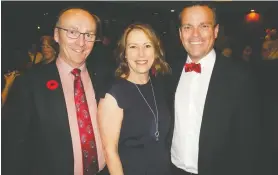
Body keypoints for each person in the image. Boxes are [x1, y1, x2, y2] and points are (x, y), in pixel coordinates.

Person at [2, 7, 109, 175]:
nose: (81, 43)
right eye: (73, 32)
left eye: (89, 35)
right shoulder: (29, 83)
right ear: (57, 35)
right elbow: (12, 147)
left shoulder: (105, 79)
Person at [170, 2, 261, 175]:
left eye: (204, 26)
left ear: (216, 31)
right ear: (181, 33)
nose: (195, 34)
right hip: (172, 170)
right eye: (188, 27)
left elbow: (250, 144)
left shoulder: (240, 78)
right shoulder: (170, 72)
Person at [97, 23, 172, 175]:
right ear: (124, 53)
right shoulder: (114, 94)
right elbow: (109, 152)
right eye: (133, 47)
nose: (141, 54)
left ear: (156, 50)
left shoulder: (158, 85)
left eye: (147, 46)